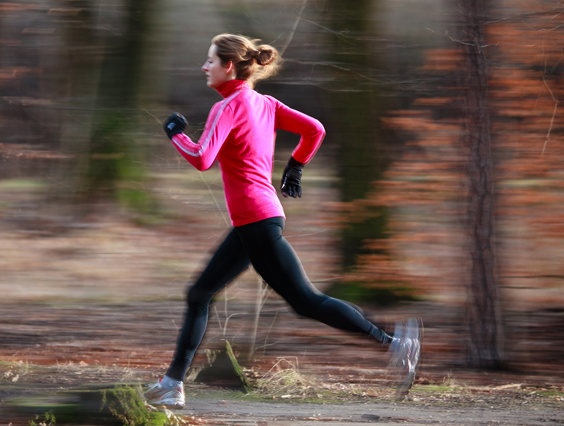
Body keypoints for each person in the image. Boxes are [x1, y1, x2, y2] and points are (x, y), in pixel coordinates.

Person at [144, 34, 420, 409]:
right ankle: (172, 383)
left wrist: (176, 135)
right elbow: (315, 130)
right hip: (258, 219)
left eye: (209, 60)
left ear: (229, 66)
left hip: (256, 220)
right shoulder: (265, 103)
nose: (203, 67)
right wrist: (296, 167)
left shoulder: (226, 108)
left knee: (305, 300)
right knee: (201, 294)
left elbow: (201, 158)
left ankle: (394, 343)